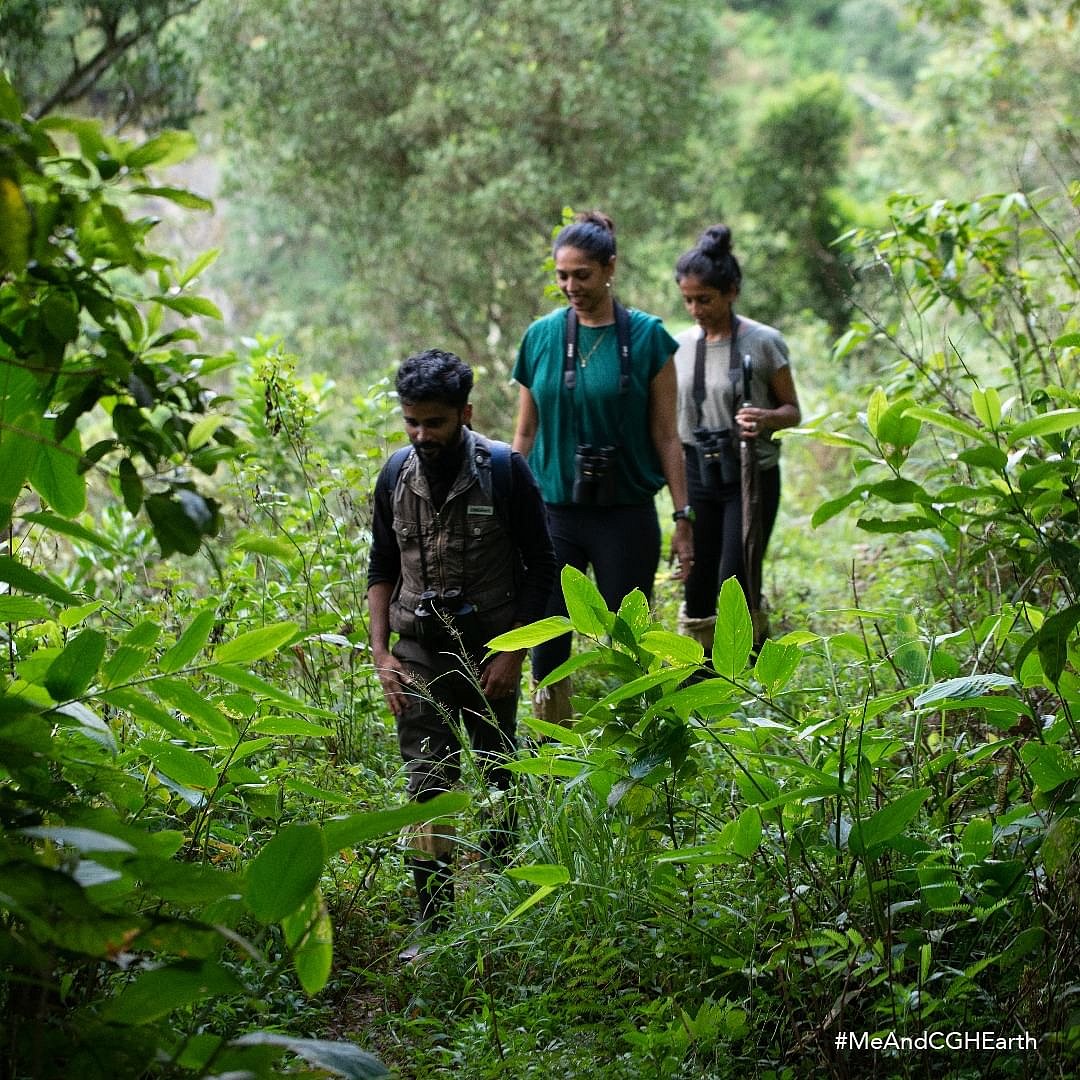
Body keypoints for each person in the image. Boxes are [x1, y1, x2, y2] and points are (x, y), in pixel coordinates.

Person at [367, 349, 557, 944]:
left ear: (465, 412)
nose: (422, 435)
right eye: (412, 422)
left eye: (435, 423)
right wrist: (381, 654)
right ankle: (435, 926)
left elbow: (542, 568)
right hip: (418, 651)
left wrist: (513, 654)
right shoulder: (395, 474)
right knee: (426, 781)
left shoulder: (505, 470)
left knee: (499, 773)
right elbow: (381, 566)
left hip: (490, 650)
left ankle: (507, 908)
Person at [512, 210, 693, 723]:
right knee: (548, 631)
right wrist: (508, 501)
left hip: (625, 512)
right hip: (553, 512)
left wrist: (684, 517)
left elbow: (665, 434)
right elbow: (526, 431)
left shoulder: (648, 338)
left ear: (610, 267)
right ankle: (552, 743)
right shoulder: (541, 337)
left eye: (582, 275)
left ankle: (636, 735)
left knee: (628, 634)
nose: (571, 286)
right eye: (562, 276)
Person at [672, 223, 801, 648]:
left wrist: (763, 418)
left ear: (731, 292)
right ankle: (699, 669)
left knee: (737, 574)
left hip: (749, 474)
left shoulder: (763, 342)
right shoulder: (678, 346)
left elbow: (792, 411)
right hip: (698, 471)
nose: (696, 309)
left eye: (704, 299)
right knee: (696, 575)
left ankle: (749, 662)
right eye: (688, 300)